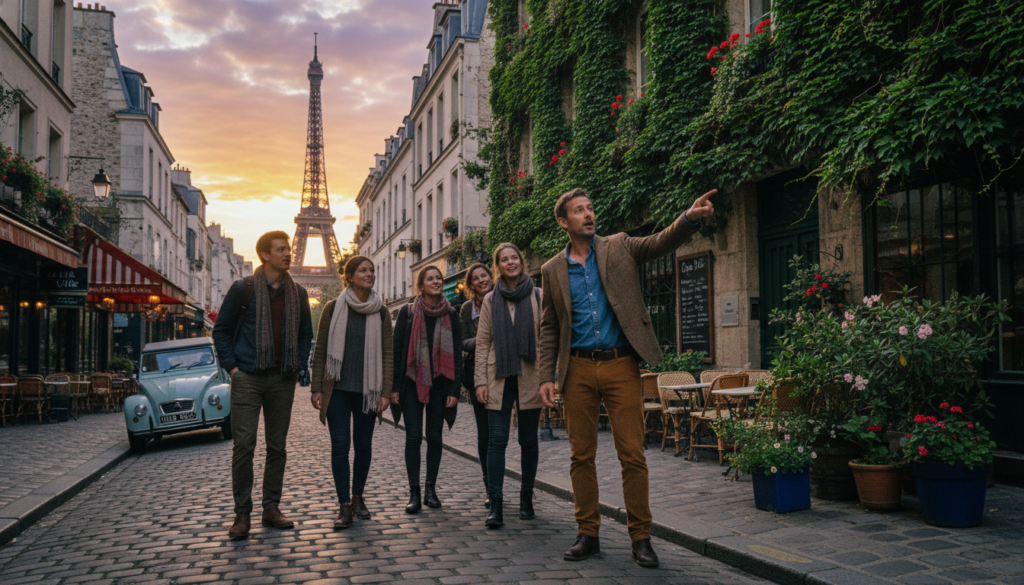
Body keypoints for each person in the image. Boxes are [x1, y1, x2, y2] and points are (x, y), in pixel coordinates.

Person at [538, 187, 716, 567]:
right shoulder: (552, 269)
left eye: (590, 208)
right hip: (578, 369)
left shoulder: (618, 245)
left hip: (621, 364)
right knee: (580, 456)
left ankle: (641, 537)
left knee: (632, 454)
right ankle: (588, 533)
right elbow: (549, 327)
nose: (588, 214)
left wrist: (689, 218)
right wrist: (545, 377)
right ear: (563, 221)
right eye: (579, 210)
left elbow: (658, 242)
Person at [213, 231, 313, 540]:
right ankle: (242, 513)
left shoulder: (298, 293)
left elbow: (305, 334)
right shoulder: (242, 289)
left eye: (288, 249)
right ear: (265, 255)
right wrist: (233, 368)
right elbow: (221, 330)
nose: (288, 254)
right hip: (247, 377)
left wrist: (297, 365)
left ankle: (271, 508)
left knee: (277, 447)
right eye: (281, 250)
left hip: (281, 378)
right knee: (244, 445)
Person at [309, 256, 393, 530]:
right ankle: (344, 504)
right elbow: (321, 349)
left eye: (372, 271)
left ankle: (358, 496)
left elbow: (388, 354)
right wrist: (316, 388)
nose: (370, 274)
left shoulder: (380, 312)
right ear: (350, 277)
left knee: (364, 446)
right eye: (363, 270)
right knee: (340, 446)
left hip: (368, 391)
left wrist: (385, 391)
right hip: (339, 390)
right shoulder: (333, 308)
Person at [475, 243, 543, 528]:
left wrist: (552, 378)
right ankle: (496, 502)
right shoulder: (491, 299)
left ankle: (526, 496)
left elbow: (548, 338)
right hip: (498, 377)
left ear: (521, 262)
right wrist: (479, 380)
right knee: (496, 441)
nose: (510, 262)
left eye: (514, 257)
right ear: (498, 266)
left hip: (530, 376)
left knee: (528, 440)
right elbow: (483, 342)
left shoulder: (539, 295)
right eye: (504, 259)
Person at [391, 265, 462, 514]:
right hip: (411, 383)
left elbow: (457, 355)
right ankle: (414, 492)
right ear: (420, 285)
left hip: (440, 386)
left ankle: (431, 489)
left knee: (434, 438)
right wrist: (393, 387)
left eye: (438, 278)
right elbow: (397, 350)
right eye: (430, 279)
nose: (436, 281)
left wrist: (455, 389)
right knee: (413, 438)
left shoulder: (452, 314)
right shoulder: (407, 312)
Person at [459, 262, 494, 509]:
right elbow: (463, 341)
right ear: (471, 285)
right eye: (476, 278)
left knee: (499, 434)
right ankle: (490, 487)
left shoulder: (503, 299)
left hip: (502, 373)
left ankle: (506, 487)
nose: (482, 280)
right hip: (476, 376)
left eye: (485, 275)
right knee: (485, 434)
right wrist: (486, 338)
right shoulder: (465, 309)